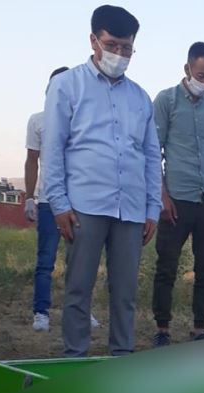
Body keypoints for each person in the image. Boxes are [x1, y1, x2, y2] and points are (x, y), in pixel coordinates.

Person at [41, 5, 162, 357]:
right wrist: (59, 203)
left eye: (127, 48)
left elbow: (151, 156)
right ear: (94, 40)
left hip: (131, 210)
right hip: (84, 206)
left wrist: (152, 208)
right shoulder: (67, 86)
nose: (119, 55)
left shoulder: (140, 98)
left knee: (125, 293)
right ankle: (75, 359)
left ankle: (121, 360)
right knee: (79, 288)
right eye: (112, 45)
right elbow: (53, 147)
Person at [151, 42, 204, 347]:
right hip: (177, 199)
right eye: (201, 75)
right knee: (167, 267)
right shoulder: (166, 101)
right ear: (187, 69)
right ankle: (162, 329)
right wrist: (162, 196)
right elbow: (153, 151)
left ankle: (199, 329)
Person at [25, 67, 100, 332]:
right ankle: (41, 312)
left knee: (81, 261)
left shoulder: (84, 121)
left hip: (80, 200)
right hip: (50, 201)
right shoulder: (38, 121)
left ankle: (81, 310)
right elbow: (32, 160)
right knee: (46, 259)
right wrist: (29, 197)